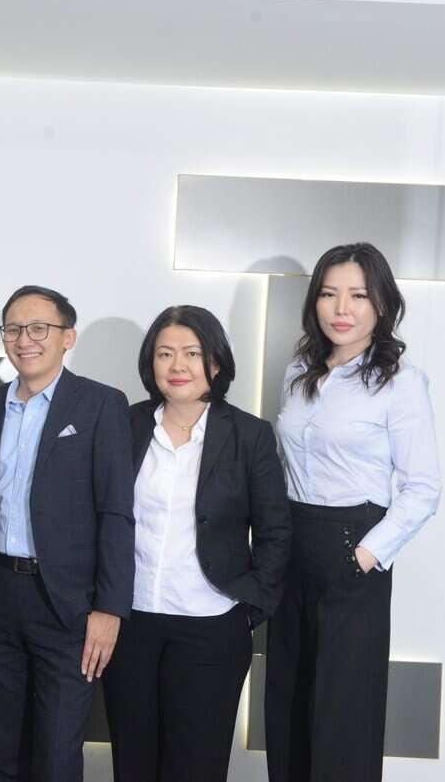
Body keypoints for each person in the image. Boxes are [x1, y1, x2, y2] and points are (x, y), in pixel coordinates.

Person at [265, 243, 442, 782]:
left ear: (381, 305)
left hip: (352, 551)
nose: (341, 307)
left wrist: (364, 555)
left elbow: (423, 487)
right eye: (329, 293)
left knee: (343, 716)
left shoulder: (400, 382)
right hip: (290, 548)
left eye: (358, 295)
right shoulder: (299, 370)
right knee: (288, 706)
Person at [101, 305, 291, 782]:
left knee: (196, 766)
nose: (177, 365)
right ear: (150, 364)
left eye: (191, 353)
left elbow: (275, 530)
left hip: (211, 624)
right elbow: (99, 517)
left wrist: (250, 607)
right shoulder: (124, 425)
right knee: (133, 763)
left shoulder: (249, 435)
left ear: (216, 363)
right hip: (131, 622)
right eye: (165, 354)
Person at [0, 284, 135, 782]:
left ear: (67, 337)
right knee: (6, 755)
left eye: (39, 328)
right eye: (13, 329)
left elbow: (118, 513)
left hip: (68, 604)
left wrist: (110, 608)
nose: (24, 339)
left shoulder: (101, 404)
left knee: (57, 758)